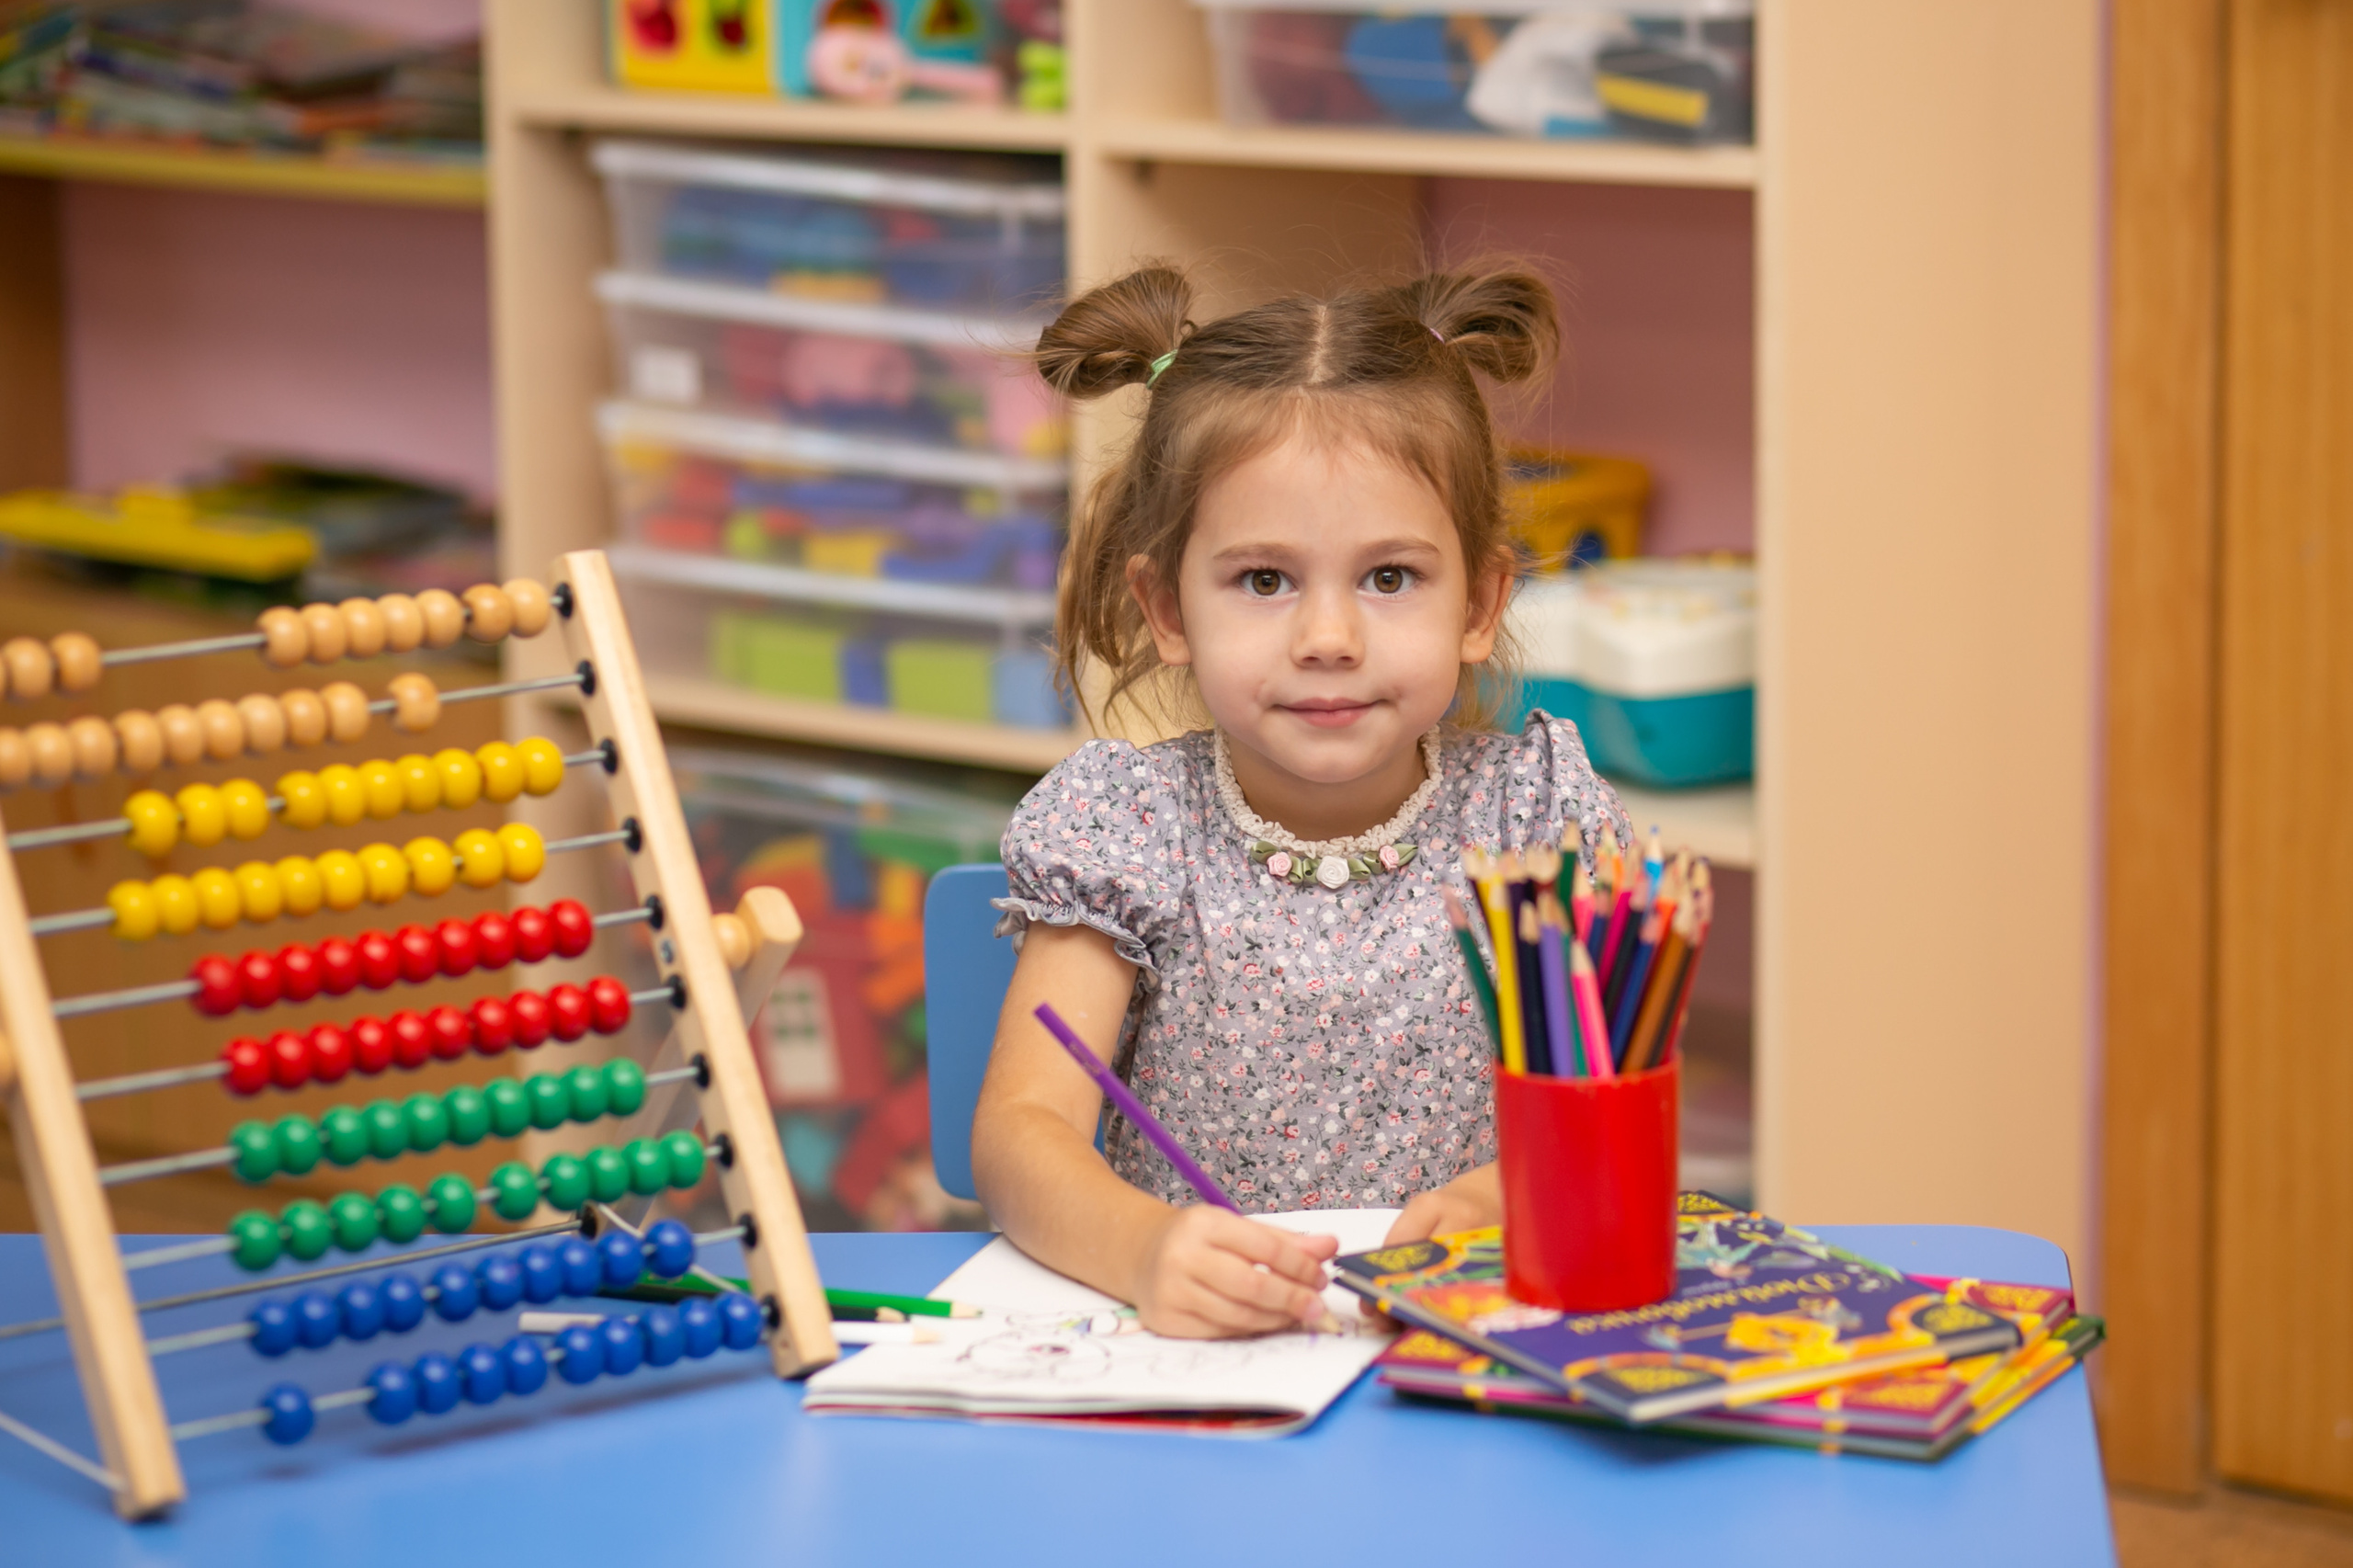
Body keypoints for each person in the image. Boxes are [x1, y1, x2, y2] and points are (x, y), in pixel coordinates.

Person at [972, 262, 1628, 1338]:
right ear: (1166, 607)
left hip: (1462, 1347)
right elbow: (1020, 1131)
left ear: (1482, 600)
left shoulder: (1535, 817)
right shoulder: (1126, 827)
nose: (1329, 637)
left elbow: (1606, 1119)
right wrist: (1143, 1249)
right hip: (1204, 1373)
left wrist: (1490, 1203)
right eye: (1264, 580)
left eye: (1389, 577)